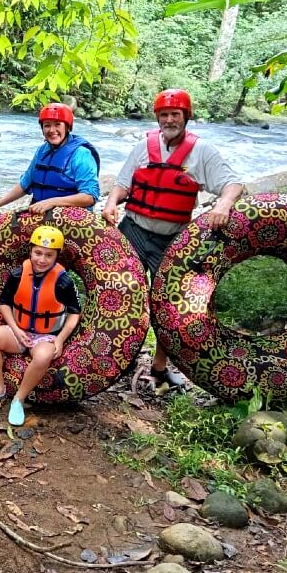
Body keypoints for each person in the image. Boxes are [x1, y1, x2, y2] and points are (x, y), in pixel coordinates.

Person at [102, 88, 244, 391]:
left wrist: (222, 205)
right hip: (135, 230)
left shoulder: (202, 151)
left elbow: (232, 184)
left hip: (173, 238)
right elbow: (122, 184)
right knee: (122, 295)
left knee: (168, 304)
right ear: (157, 117)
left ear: (185, 117)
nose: (169, 119)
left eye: (175, 114)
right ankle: (120, 359)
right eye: (164, 114)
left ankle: (160, 366)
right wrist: (112, 202)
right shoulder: (144, 146)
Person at [0, 226, 82, 426]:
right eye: (38, 253)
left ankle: (19, 399)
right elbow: (4, 302)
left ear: (57, 256)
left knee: (42, 356)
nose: (42, 259)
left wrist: (59, 339)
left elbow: (75, 312)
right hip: (19, 330)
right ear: (30, 251)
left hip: (46, 335)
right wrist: (16, 329)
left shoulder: (63, 281)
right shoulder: (18, 274)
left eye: (49, 255)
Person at [0, 103, 100, 214]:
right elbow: (25, 184)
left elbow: (89, 196)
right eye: (47, 125)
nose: (52, 130)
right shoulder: (42, 151)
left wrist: (51, 202)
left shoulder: (81, 154)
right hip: (41, 213)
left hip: (71, 216)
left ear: (67, 127)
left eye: (58, 124)